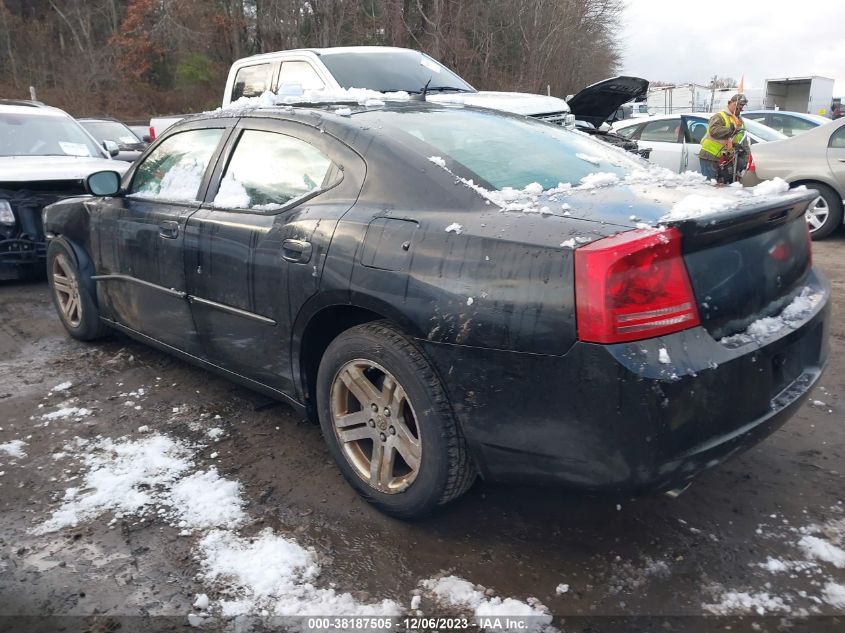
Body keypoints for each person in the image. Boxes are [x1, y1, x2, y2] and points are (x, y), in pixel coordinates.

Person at [698, 93, 750, 184]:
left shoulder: (739, 121)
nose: (739, 109)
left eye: (741, 107)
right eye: (737, 106)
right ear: (730, 103)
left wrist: (747, 158)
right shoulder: (720, 116)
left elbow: (743, 140)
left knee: (721, 187)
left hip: (725, 159)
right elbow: (713, 131)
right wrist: (730, 130)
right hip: (710, 156)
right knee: (710, 186)